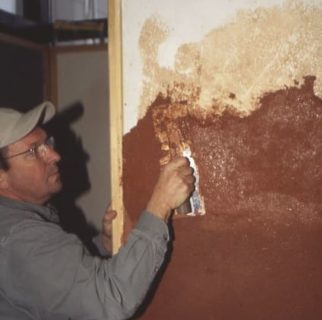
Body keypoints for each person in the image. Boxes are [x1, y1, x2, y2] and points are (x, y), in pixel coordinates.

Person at [0, 102, 195, 319]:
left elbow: (55, 283)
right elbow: (109, 299)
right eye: (34, 151)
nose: (54, 155)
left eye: (48, 143)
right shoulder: (19, 239)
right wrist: (161, 205)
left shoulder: (18, 222)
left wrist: (100, 245)